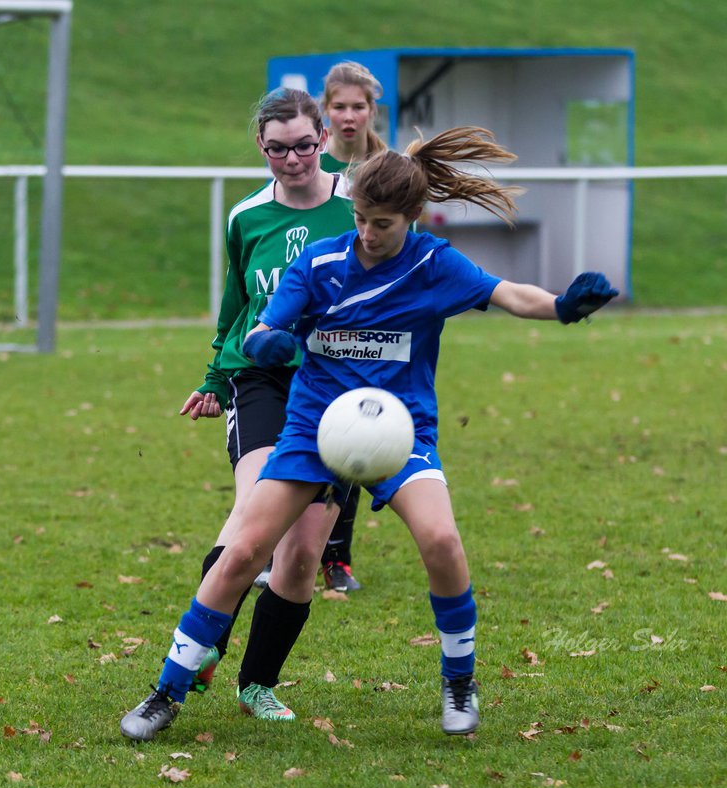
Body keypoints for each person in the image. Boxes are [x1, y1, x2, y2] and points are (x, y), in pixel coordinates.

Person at [121, 125, 618, 741]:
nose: (366, 233)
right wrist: (268, 341)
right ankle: (167, 692)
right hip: (313, 426)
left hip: (399, 429)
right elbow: (261, 325)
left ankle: (458, 680)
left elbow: (508, 293)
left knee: (441, 539)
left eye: (381, 222)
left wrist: (563, 306)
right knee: (245, 551)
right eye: (359, 217)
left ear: (412, 216)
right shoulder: (322, 262)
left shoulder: (434, 264)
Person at [177, 86, 356, 720]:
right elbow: (235, 308)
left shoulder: (358, 208)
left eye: (304, 146)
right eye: (277, 149)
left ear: (324, 141)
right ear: (261, 145)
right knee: (253, 517)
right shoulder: (247, 217)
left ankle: (258, 684)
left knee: (304, 551)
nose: (292, 159)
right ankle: (200, 652)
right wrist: (212, 378)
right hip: (260, 380)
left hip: (337, 390)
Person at [312, 60, 390, 593]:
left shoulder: (386, 169)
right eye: (338, 106)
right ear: (325, 110)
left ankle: (336, 557)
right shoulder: (308, 169)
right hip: (311, 320)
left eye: (357, 106)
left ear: (371, 111)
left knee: (352, 437)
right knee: (297, 437)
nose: (347, 115)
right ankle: (285, 545)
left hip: (368, 326)